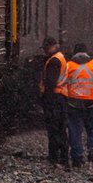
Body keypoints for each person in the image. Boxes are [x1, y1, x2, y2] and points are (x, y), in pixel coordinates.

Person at [58, 43, 93, 167]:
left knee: (75, 130)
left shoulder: (68, 65)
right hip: (91, 101)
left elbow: (62, 84)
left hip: (73, 101)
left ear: (74, 52)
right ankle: (92, 149)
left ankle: (77, 157)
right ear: (86, 52)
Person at [38, 37, 69, 168]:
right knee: (61, 129)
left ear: (52, 46)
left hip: (55, 98)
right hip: (60, 97)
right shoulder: (59, 58)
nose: (45, 50)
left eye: (46, 48)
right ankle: (63, 158)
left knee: (54, 129)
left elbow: (50, 82)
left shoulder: (54, 61)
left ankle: (55, 157)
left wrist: (46, 99)